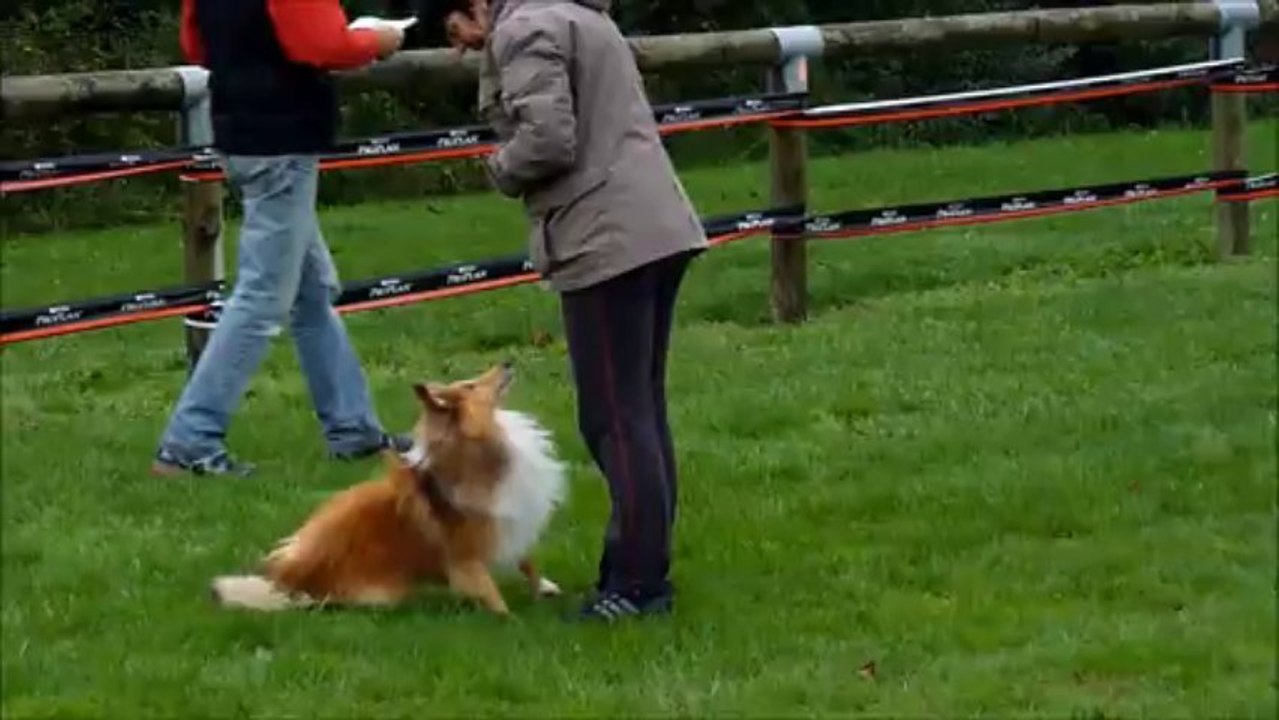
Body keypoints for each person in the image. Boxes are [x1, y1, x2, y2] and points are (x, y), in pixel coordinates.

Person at [447, 0, 708, 621]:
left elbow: (547, 139)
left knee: (614, 418)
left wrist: (496, 169)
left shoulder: (525, 28)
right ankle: (639, 567)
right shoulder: (576, 15)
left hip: (605, 234)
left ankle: (639, 584)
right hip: (655, 223)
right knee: (641, 410)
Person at [152, 0, 410, 478]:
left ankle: (353, 429)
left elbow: (194, 43)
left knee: (310, 292)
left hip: (241, 131)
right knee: (262, 297)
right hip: (283, 137)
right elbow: (323, 44)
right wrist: (379, 40)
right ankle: (191, 439)